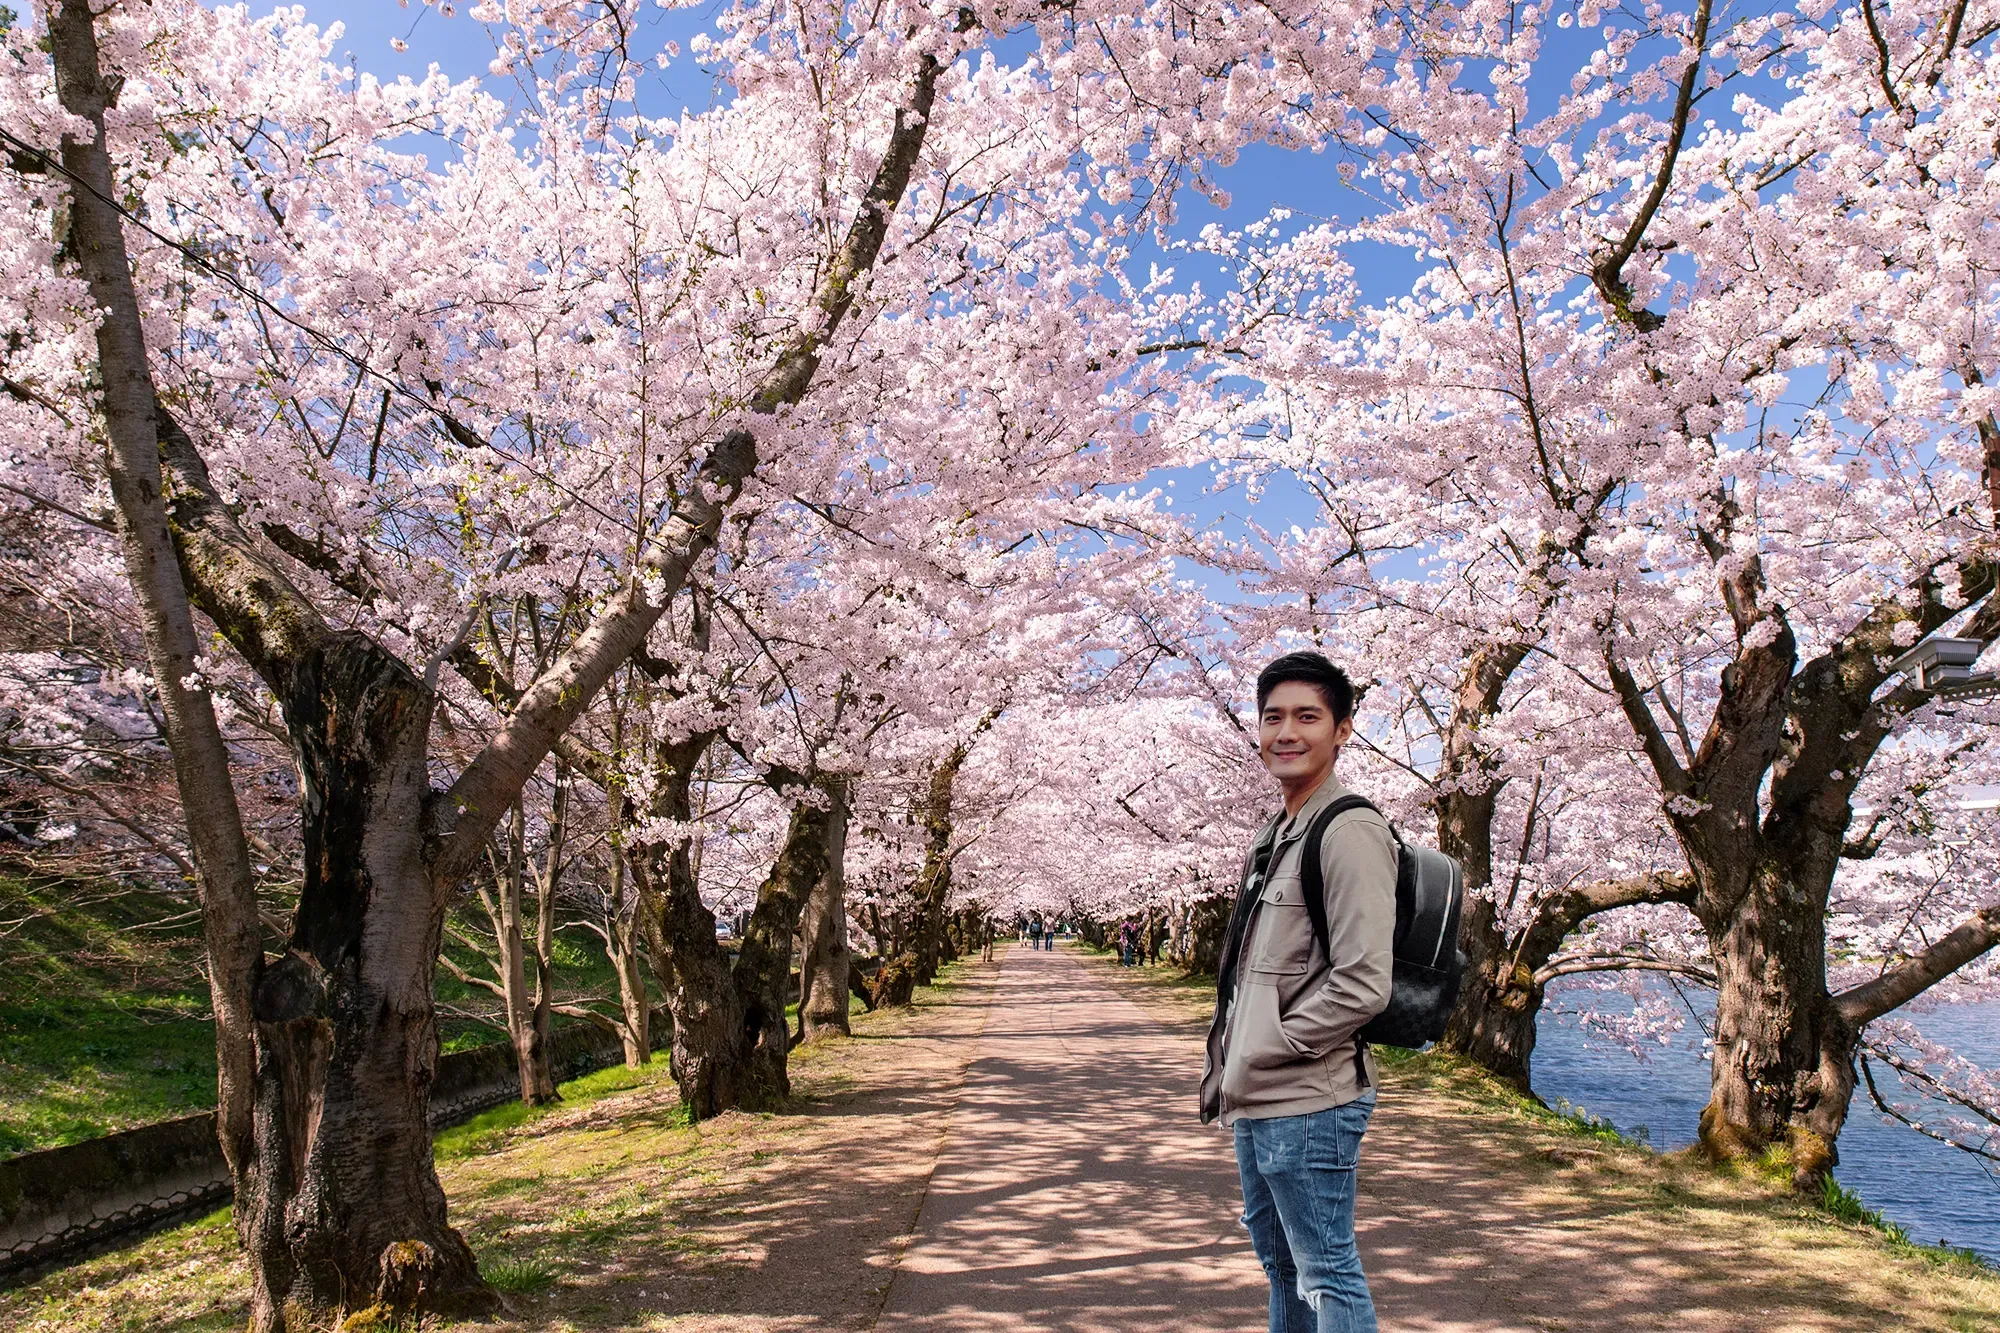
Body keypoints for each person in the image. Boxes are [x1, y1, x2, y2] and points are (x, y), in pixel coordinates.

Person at [1198, 651, 1395, 1333]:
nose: (1286, 732)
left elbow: (1363, 982)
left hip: (1309, 1096)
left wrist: (1273, 1044)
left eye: (1307, 716)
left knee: (1326, 1272)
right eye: (1273, 716)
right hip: (1256, 1092)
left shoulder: (1350, 831)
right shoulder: (1278, 833)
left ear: (1341, 730)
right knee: (1283, 1270)